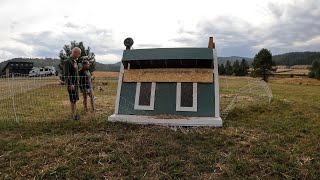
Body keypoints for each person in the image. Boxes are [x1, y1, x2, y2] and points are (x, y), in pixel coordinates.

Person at [64, 47, 81, 120]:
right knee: (72, 99)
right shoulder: (68, 61)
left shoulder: (74, 61)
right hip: (72, 85)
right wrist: (70, 84)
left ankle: (74, 114)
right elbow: (67, 74)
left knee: (75, 99)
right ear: (75, 52)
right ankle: (73, 115)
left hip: (76, 84)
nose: (79, 55)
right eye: (79, 53)